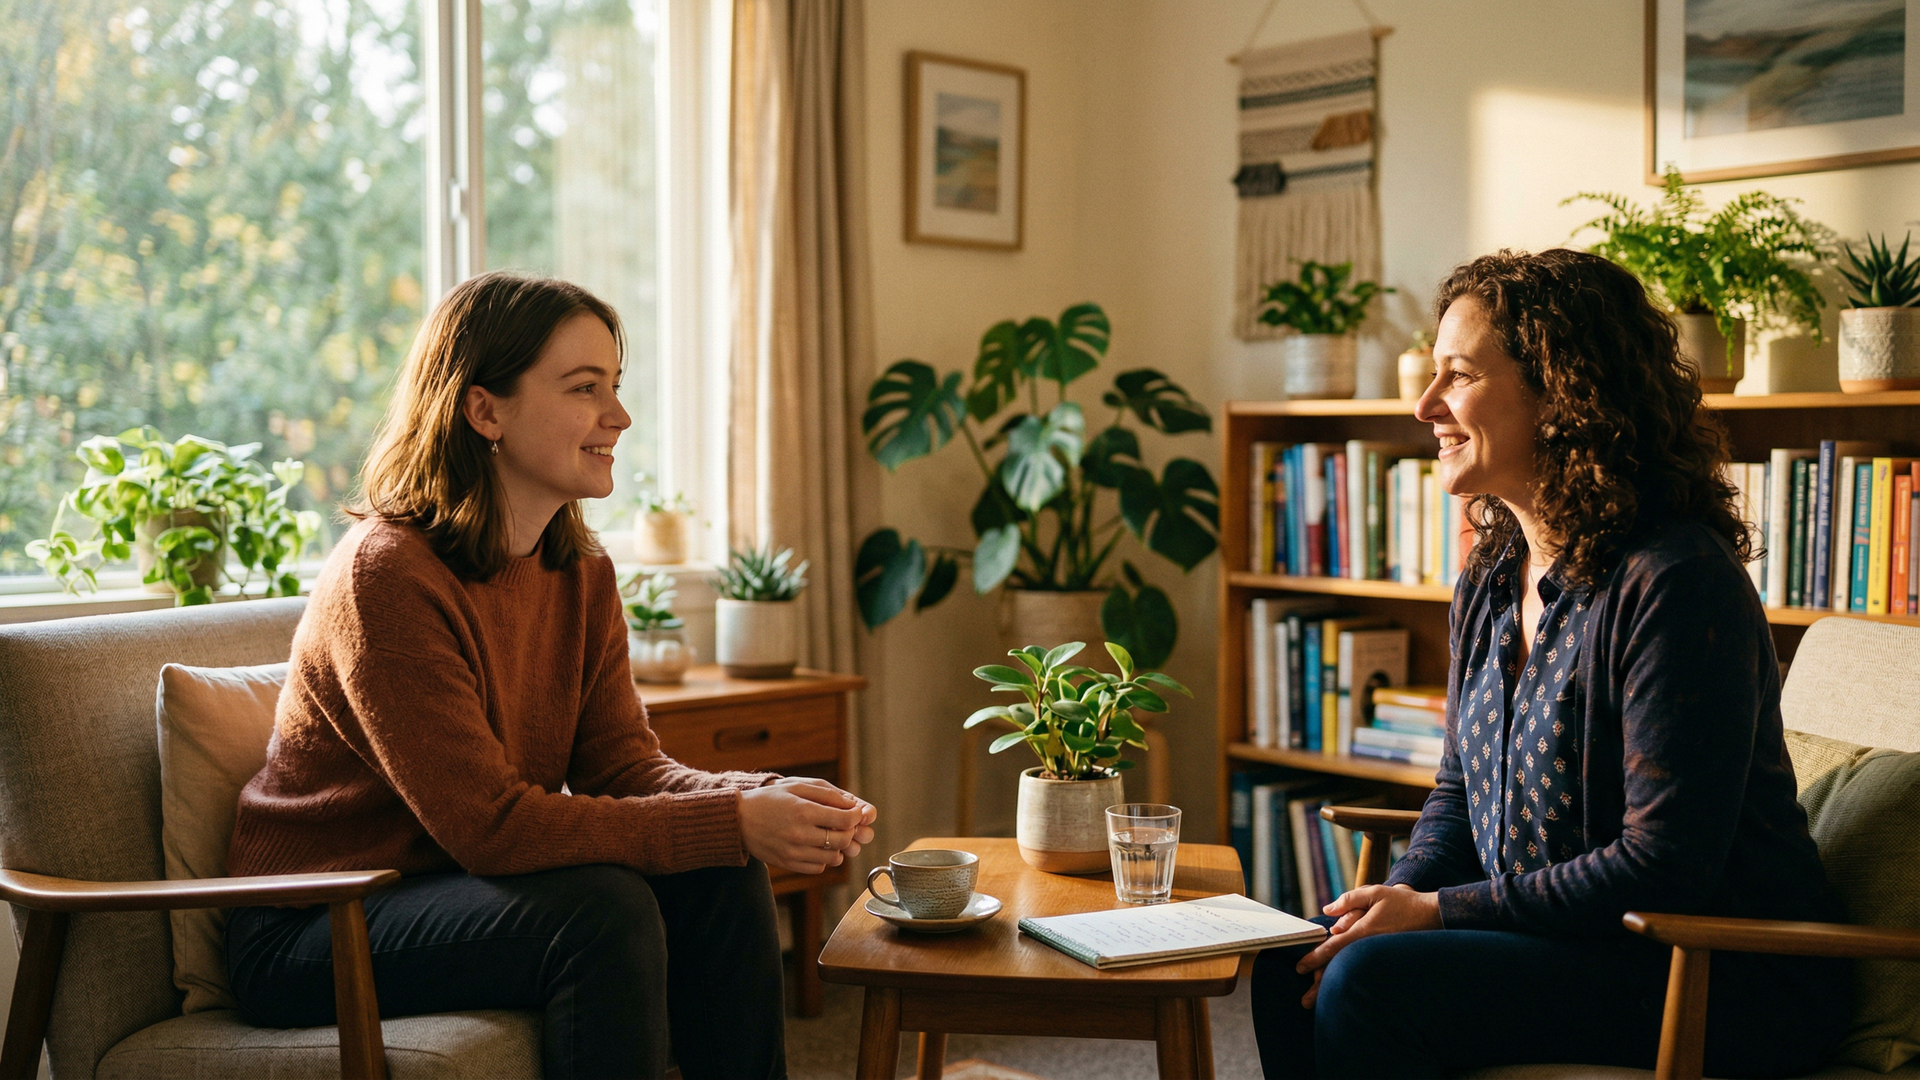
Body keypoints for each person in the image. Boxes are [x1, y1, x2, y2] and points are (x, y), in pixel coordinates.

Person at [224, 271, 875, 1080]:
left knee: (723, 867)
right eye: (583, 388)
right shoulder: (386, 575)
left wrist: (756, 797)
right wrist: (730, 817)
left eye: (616, 386)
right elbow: (490, 826)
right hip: (317, 924)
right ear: (484, 408)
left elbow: (623, 769)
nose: (620, 416)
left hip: (450, 891)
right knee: (603, 912)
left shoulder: (580, 573)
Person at [1248, 249, 1850, 1079]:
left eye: (1456, 376)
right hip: (1558, 941)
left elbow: (1663, 863)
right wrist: (1393, 901)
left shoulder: (1676, 582)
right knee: (1294, 963)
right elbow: (1458, 796)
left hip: (1712, 971)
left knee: (1368, 987)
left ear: (1564, 390)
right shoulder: (1492, 579)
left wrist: (1435, 912)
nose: (1425, 406)